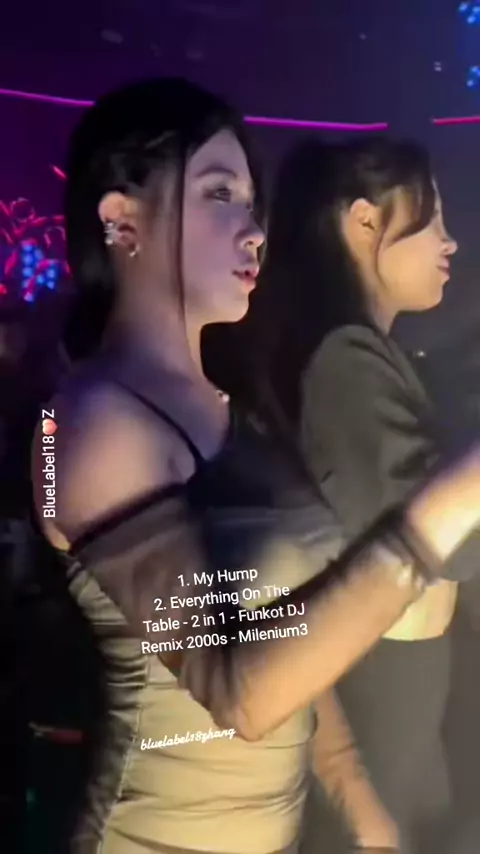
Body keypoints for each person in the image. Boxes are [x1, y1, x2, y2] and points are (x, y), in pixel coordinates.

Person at [30, 81, 480, 854]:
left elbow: (282, 631)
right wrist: (456, 494)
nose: (253, 229)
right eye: (219, 194)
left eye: (252, 201)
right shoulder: (91, 420)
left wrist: (357, 800)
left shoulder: (231, 407)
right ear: (121, 220)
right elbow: (240, 691)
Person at [251, 135, 477, 854]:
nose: (450, 240)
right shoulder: (343, 360)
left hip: (400, 682)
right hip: (380, 687)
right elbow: (443, 543)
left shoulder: (360, 353)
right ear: (364, 221)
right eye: (433, 217)